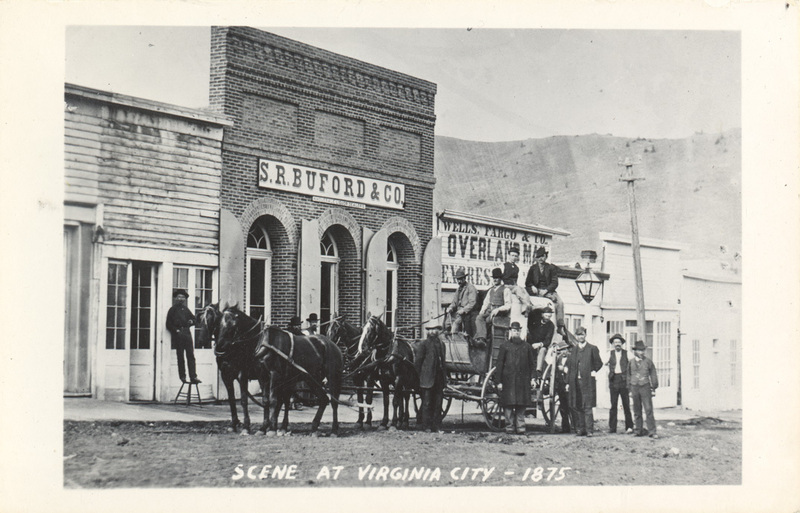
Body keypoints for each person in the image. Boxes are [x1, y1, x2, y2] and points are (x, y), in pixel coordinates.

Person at [494, 322, 537, 434]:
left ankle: (521, 428)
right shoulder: (505, 346)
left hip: (522, 381)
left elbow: (532, 364)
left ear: (520, 332)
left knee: (521, 405)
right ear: (510, 332)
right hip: (508, 381)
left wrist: (533, 378)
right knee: (508, 405)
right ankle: (509, 427)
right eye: (514, 330)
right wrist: (498, 381)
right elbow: (499, 365)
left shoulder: (526, 347)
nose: (516, 332)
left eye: (517, 330)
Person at [565, 326, 603, 436]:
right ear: (576, 337)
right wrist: (568, 382)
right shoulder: (574, 350)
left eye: (582, 334)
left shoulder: (592, 348)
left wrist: (593, 371)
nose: (580, 337)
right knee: (578, 405)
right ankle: (581, 429)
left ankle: (589, 430)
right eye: (578, 335)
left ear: (585, 335)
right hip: (575, 381)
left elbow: (599, 363)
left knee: (587, 406)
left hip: (587, 382)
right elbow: (570, 366)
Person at [525, 246, 566, 338]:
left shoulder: (551, 268)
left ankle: (560, 326)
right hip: (536, 290)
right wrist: (532, 286)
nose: (540, 259)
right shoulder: (533, 268)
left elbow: (555, 282)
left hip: (548, 290)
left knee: (560, 303)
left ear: (545, 257)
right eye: (538, 257)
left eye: (542, 256)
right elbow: (528, 282)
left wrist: (547, 290)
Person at [415, 325, 447, 432]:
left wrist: (445, 377)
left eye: (435, 329)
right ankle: (426, 426)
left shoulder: (442, 344)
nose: (433, 332)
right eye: (431, 330)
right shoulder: (423, 344)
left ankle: (436, 425)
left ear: (438, 331)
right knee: (427, 402)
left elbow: (443, 362)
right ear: (428, 332)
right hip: (427, 377)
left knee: (438, 403)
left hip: (439, 377)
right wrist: (418, 377)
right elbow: (418, 362)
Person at [166, 289, 200, 384]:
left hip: (187, 334)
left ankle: (193, 376)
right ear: (175, 298)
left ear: (185, 299)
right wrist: (176, 330)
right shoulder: (172, 310)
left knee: (191, 355)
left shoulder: (186, 309)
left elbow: (194, 319)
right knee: (180, 356)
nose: (181, 299)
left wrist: (191, 322)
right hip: (178, 335)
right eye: (179, 297)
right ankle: (183, 376)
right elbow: (168, 324)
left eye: (183, 297)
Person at [629, 340, 660, 438]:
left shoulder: (648, 362)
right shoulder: (631, 362)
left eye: (642, 350)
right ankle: (638, 430)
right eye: (639, 350)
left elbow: (653, 374)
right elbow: (628, 376)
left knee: (648, 409)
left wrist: (653, 387)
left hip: (645, 387)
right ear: (635, 351)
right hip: (634, 387)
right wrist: (629, 388)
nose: (641, 352)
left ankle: (652, 431)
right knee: (636, 410)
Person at [474, 268, 511, 345]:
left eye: (497, 278)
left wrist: (498, 309)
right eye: (494, 278)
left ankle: (482, 338)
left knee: (487, 320)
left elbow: (508, 305)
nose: (495, 280)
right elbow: (486, 303)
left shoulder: (505, 289)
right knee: (479, 318)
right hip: (489, 311)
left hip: (499, 314)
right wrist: (482, 311)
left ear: (500, 279)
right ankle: (481, 338)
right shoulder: (491, 290)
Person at [607, 334, 634, 434]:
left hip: (624, 381)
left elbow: (633, 363)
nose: (617, 344)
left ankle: (629, 427)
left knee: (626, 404)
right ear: (613, 344)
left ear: (622, 344)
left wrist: (629, 375)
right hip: (613, 381)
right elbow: (603, 363)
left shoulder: (627, 353)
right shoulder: (609, 354)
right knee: (613, 405)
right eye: (615, 342)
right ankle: (612, 428)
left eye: (619, 342)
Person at [447, 267, 478, 336]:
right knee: (447, 324)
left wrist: (463, 310)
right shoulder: (458, 289)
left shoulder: (471, 288)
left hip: (467, 313)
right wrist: (450, 307)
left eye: (460, 279)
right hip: (458, 313)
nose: (459, 281)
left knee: (455, 324)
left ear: (464, 278)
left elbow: (472, 303)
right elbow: (454, 302)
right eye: (458, 279)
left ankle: (454, 340)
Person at [528, 305, 556, 380]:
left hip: (542, 345)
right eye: (546, 316)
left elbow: (548, 340)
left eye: (549, 316)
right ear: (542, 315)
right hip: (532, 343)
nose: (547, 318)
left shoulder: (551, 326)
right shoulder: (536, 321)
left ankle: (538, 371)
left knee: (543, 350)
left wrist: (540, 344)